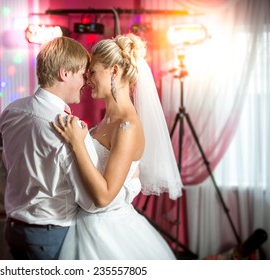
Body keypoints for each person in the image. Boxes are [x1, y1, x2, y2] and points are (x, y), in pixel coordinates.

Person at [52, 33, 183, 259]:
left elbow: (103, 197)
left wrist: (77, 144)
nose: (87, 78)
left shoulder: (128, 127)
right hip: (82, 227)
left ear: (114, 71)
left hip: (110, 237)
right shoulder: (105, 123)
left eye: (92, 71)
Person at [0, 36, 96, 260]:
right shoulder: (68, 127)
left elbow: (10, 164)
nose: (85, 82)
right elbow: (86, 197)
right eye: (82, 74)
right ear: (64, 73)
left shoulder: (11, 111)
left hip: (14, 229)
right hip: (50, 234)